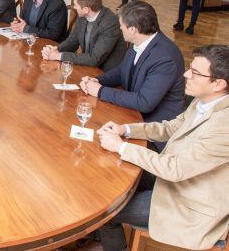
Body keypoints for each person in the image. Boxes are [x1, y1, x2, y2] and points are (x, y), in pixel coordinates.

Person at [96, 44, 229, 251]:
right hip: (176, 181)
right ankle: (100, 235)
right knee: (107, 177)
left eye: (194, 72)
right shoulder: (205, 100)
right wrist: (126, 129)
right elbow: (171, 127)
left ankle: (110, 238)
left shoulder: (224, 126)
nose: (185, 74)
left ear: (218, 84)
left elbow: (175, 170)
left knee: (104, 211)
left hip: (186, 206)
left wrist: (122, 147)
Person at [80, 1, 185, 147]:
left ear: (133, 29)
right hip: (131, 114)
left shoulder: (165, 58)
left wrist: (100, 91)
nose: (120, 28)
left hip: (154, 132)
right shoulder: (140, 42)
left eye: (121, 25)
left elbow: (144, 102)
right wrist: (97, 80)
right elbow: (122, 71)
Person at [42, 0, 125, 72]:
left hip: (106, 73)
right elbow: (72, 41)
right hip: (88, 67)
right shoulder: (83, 16)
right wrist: (56, 49)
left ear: (86, 9)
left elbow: (94, 59)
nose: (74, 7)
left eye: (75, 5)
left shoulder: (110, 23)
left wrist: (58, 56)